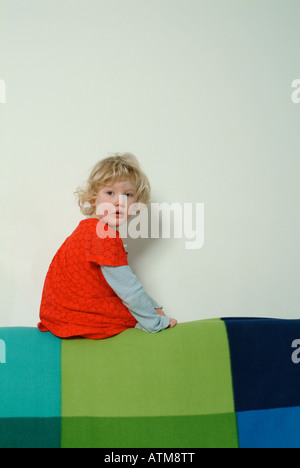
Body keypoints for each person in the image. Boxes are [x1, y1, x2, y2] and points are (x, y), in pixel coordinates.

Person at [38, 153, 177, 339]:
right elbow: (127, 288)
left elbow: (118, 282)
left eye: (127, 194)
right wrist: (155, 321)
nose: (119, 202)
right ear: (93, 198)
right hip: (76, 314)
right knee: (138, 313)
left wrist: (155, 306)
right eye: (110, 193)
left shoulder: (88, 229)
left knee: (145, 308)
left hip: (58, 312)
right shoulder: (103, 235)